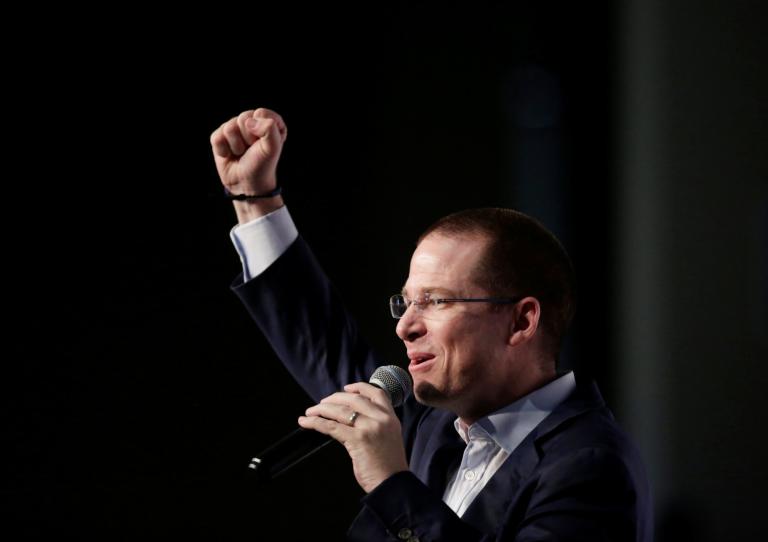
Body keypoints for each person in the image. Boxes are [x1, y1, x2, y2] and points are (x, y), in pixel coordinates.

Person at [211, 107, 653, 541]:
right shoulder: (432, 423)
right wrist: (255, 199)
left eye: (436, 301)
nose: (405, 326)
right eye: (405, 303)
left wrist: (390, 485)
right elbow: (321, 341)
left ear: (521, 321)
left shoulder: (590, 464)